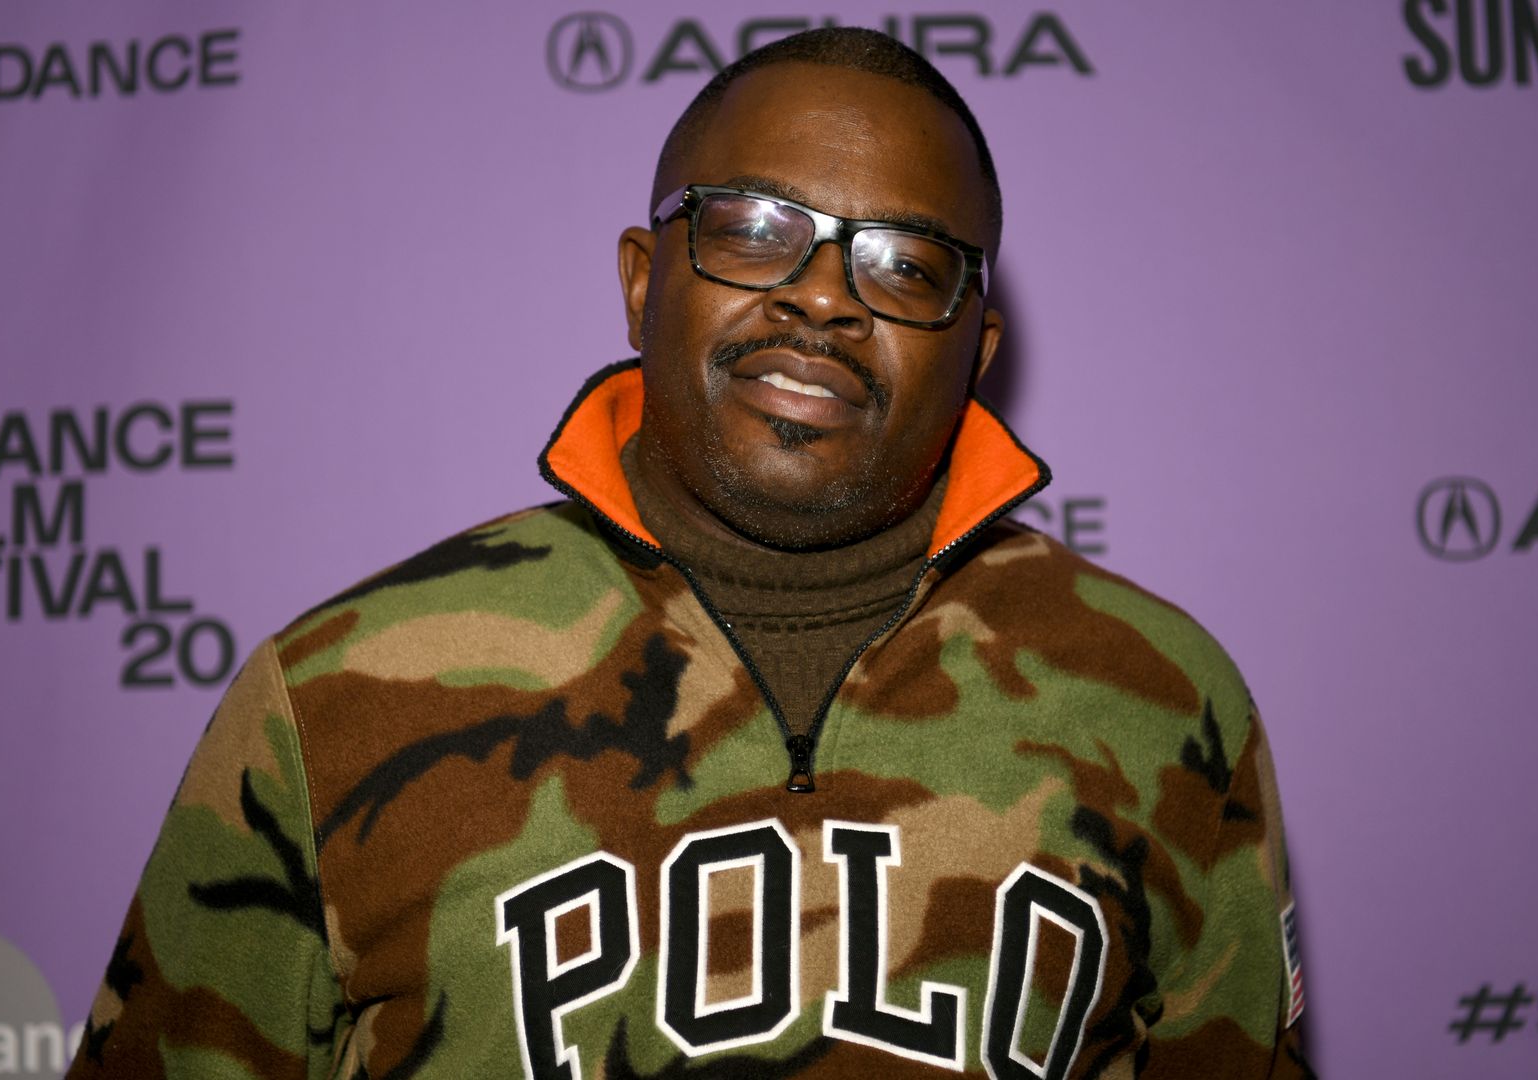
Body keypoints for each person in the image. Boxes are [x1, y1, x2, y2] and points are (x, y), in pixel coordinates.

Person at [69, 27, 1311, 1080]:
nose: (823, 296)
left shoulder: (1159, 696)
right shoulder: (339, 694)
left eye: (906, 264)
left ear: (977, 349)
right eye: (756, 229)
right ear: (641, 277)